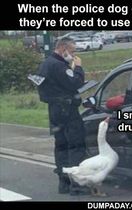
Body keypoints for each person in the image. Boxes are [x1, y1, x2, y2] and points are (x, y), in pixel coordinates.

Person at [36, 37, 87, 195]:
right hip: (68, 110)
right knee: (76, 145)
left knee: (61, 146)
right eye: (72, 51)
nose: (73, 55)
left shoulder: (45, 64)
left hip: (54, 111)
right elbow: (75, 83)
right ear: (63, 48)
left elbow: (43, 90)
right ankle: (76, 186)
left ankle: (63, 183)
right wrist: (78, 68)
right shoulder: (59, 66)